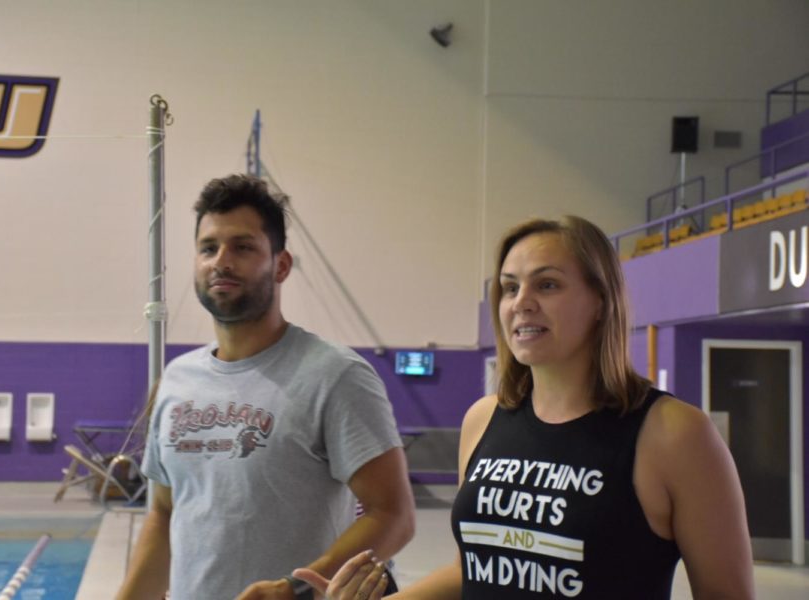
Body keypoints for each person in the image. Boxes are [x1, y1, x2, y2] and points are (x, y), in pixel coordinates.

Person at [295, 215, 755, 599]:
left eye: (548, 285)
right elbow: (473, 569)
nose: (522, 304)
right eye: (510, 288)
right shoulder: (484, 419)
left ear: (601, 300)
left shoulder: (674, 434)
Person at [116, 174, 415, 600]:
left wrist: (296, 590)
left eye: (242, 246)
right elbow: (164, 514)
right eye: (208, 248)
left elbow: (394, 515)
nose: (221, 261)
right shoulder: (177, 380)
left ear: (281, 264)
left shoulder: (335, 375)